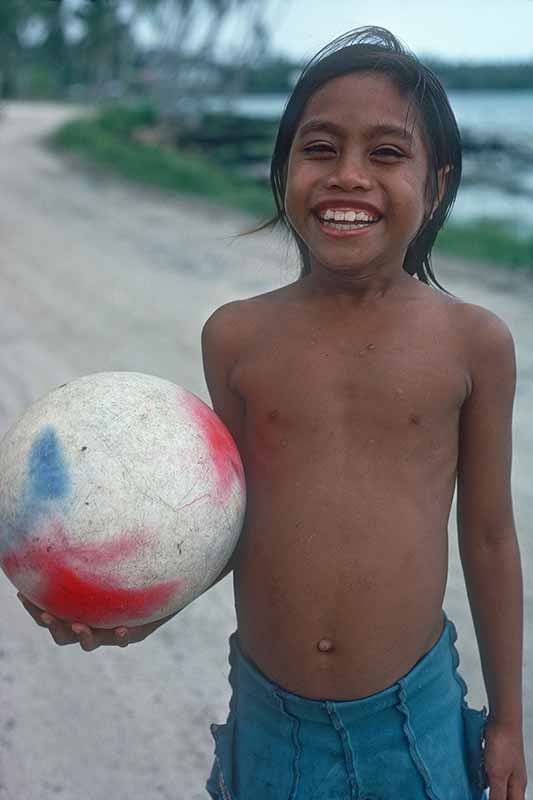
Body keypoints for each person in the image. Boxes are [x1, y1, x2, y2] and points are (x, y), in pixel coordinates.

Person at [18, 25, 527, 800]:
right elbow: (225, 516)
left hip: (411, 717)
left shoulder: (473, 344)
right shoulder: (236, 336)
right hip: (270, 718)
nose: (348, 175)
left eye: (386, 153)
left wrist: (508, 720)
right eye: (319, 148)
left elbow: (488, 536)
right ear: (282, 170)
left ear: (438, 186)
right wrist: (145, 602)